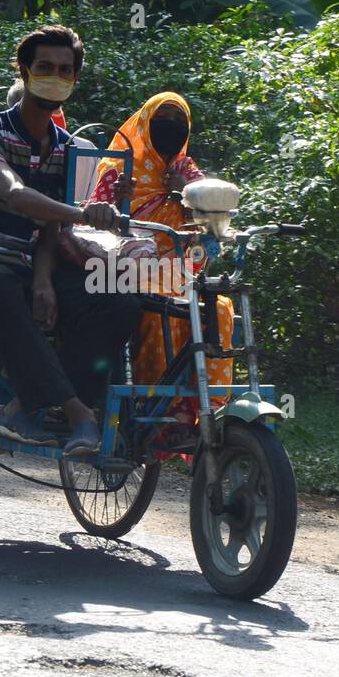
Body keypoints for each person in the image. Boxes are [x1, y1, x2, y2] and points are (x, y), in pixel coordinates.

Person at [0, 25, 140, 455]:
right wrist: (83, 213)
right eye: (44, 67)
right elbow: (16, 196)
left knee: (118, 296)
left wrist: (44, 279)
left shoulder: (66, 148)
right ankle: (81, 414)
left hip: (23, 261)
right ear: (24, 72)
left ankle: (22, 407)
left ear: (74, 80)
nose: (55, 76)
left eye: (65, 70)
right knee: (2, 287)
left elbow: (48, 228)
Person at [91, 91, 235, 441]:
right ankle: (155, 414)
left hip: (181, 273)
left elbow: (212, 213)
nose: (170, 129)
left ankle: (205, 410)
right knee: (160, 316)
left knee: (221, 310)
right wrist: (116, 201)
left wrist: (185, 192)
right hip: (126, 273)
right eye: (162, 120)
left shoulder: (185, 170)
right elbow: (91, 224)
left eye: (178, 122)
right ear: (145, 123)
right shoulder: (119, 167)